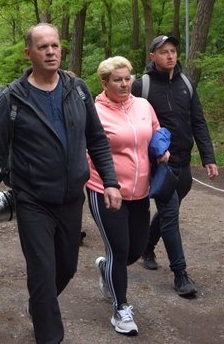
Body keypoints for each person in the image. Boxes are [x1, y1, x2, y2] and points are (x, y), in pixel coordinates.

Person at [0, 23, 121, 344]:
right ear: (29, 53)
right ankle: (49, 332)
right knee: (41, 272)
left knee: (65, 268)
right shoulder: (13, 99)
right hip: (33, 200)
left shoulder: (77, 90)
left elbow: (96, 140)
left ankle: (39, 305)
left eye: (55, 45)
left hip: (71, 199)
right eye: (43, 47)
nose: (51, 51)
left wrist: (110, 181)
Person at [130, 35, 218, 297]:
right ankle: (180, 274)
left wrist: (208, 157)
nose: (170, 56)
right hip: (159, 164)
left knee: (172, 208)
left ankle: (147, 244)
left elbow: (198, 122)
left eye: (173, 51)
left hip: (184, 163)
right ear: (152, 56)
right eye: (164, 52)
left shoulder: (186, 84)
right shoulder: (140, 87)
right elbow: (130, 122)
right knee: (170, 215)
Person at [87, 56, 167, 335]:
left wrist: (161, 148)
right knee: (120, 250)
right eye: (118, 79)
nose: (124, 84)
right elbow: (87, 151)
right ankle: (121, 309)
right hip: (106, 191)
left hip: (141, 191)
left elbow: (156, 131)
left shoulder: (143, 105)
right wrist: (104, 181)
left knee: (135, 250)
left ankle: (105, 268)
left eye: (127, 78)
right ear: (104, 82)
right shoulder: (95, 111)